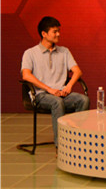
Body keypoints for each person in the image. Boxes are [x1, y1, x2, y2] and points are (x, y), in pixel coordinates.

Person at [20, 16, 90, 149]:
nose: (58, 34)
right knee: (56, 102)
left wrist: (69, 86)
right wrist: (49, 89)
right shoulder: (30, 53)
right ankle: (61, 146)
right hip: (41, 94)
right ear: (44, 34)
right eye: (55, 31)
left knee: (83, 99)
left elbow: (77, 71)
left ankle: (77, 139)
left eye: (59, 31)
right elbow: (26, 75)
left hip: (62, 93)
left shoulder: (64, 51)